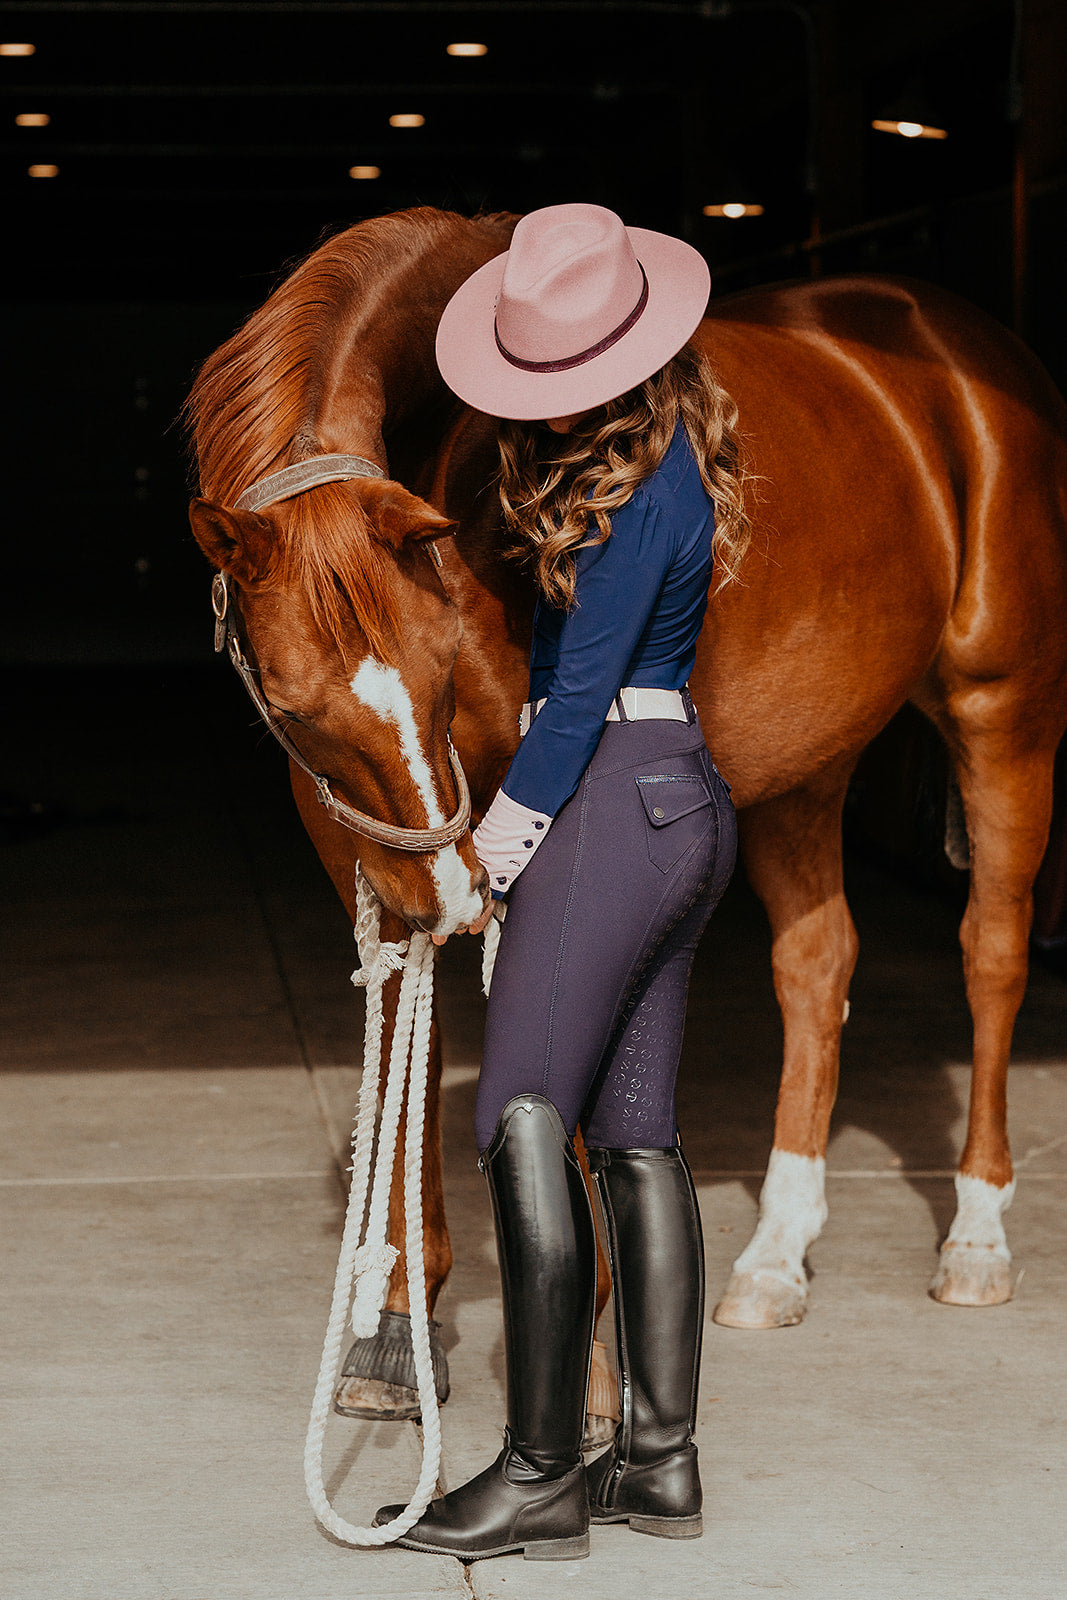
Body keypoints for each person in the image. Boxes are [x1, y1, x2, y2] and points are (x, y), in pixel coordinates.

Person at [376, 202, 748, 1561]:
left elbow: (576, 699)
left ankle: (539, 1472)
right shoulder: (668, 461)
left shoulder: (631, 497)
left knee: (522, 1115)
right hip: (678, 801)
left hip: (607, 812)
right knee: (636, 1134)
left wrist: (488, 857)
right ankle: (658, 1463)